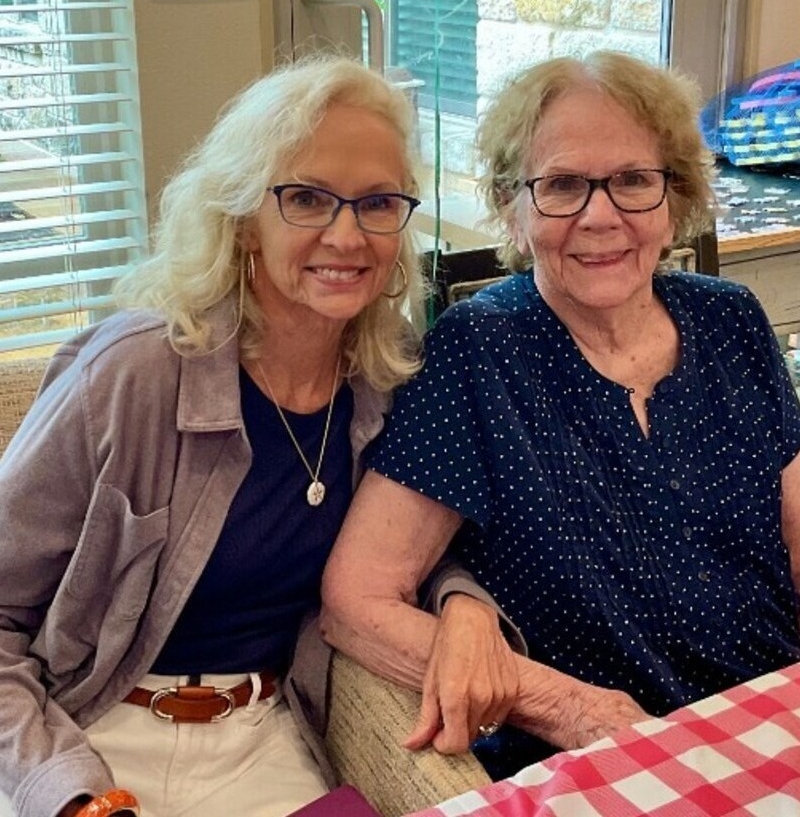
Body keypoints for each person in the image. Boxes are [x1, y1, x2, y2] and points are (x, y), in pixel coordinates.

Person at [320, 50, 800, 780]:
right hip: (602, 759)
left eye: (634, 180)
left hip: (765, 719)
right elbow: (356, 599)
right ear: (514, 209)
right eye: (564, 185)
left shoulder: (730, 319)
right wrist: (566, 706)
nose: (600, 215)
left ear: (677, 197)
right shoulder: (480, 352)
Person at [0, 56, 434, 817]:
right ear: (241, 222)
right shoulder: (129, 373)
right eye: (305, 198)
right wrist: (62, 794)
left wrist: (460, 601)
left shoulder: (387, 385)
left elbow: (422, 548)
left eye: (376, 203)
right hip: (85, 729)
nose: (347, 234)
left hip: (264, 738)